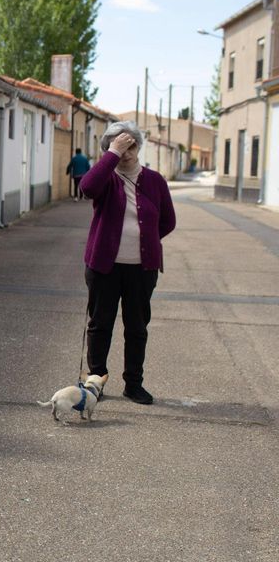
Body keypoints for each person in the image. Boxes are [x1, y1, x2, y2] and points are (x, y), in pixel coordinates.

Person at [79, 121, 176, 405]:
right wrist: (112, 154)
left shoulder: (155, 180)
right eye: (122, 146)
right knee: (100, 324)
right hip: (103, 267)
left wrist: (145, 240)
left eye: (131, 145)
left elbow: (168, 221)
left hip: (142, 269)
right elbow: (87, 187)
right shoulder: (106, 178)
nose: (127, 151)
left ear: (139, 146)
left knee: (136, 326)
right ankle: (96, 380)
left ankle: (133, 384)